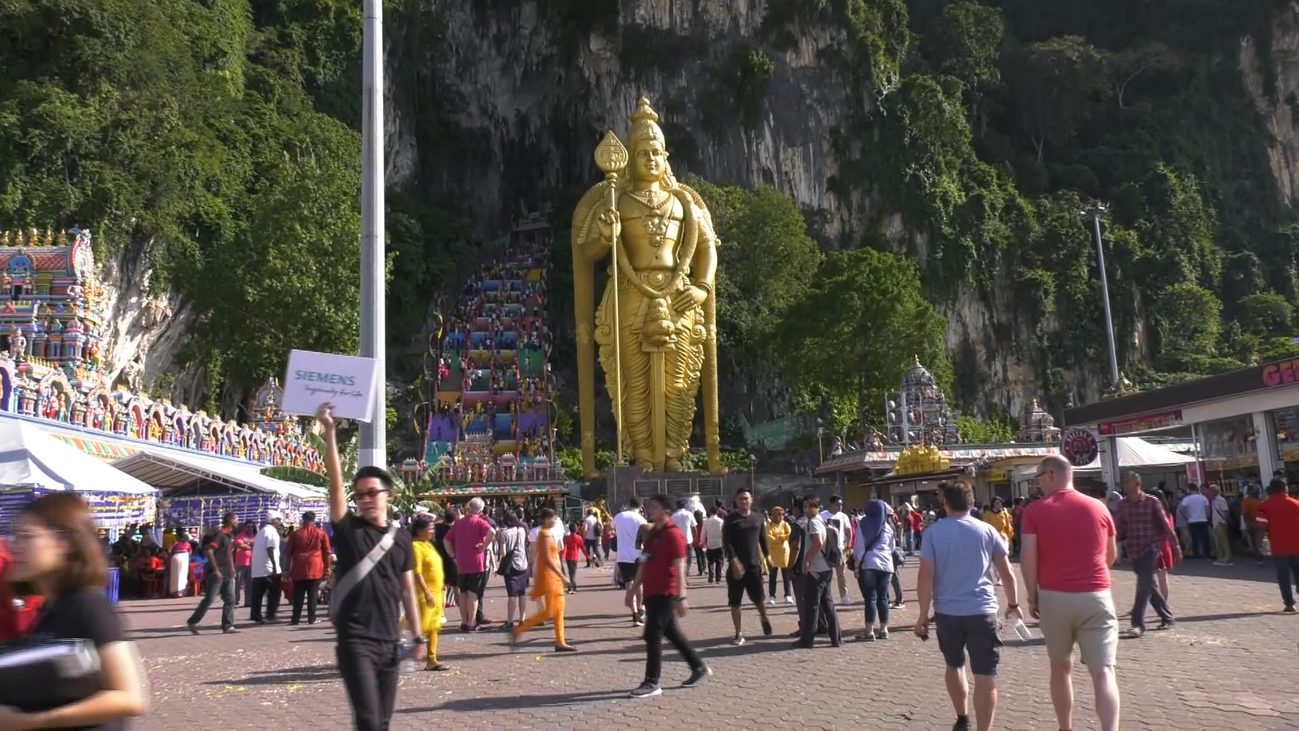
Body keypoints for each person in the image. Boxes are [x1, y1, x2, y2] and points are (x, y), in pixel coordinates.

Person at [0, 493, 148, 729]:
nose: (13, 545)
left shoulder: (88, 605)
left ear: (64, 542)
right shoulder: (49, 610)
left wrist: (29, 722)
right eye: (13, 536)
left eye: (26, 536)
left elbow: (130, 698)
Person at [319, 403, 424, 731]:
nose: (365, 499)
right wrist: (330, 431)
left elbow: (407, 590)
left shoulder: (401, 538)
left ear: (388, 495)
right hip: (356, 640)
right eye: (360, 494)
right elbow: (335, 485)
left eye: (372, 492)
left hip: (390, 641)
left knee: (383, 721)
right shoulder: (349, 530)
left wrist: (418, 635)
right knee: (368, 720)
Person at [1021, 455, 1121, 731]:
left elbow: (1028, 559)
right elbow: (1111, 555)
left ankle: (1065, 727)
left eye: (1039, 477)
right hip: (1096, 595)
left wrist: (1032, 596)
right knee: (1103, 671)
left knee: (1061, 667)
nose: (1039, 484)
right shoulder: (1099, 508)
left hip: (1054, 596)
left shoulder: (1035, 511)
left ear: (1050, 475)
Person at [914, 481, 1020, 731]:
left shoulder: (933, 533)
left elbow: (925, 576)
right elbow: (1006, 573)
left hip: (947, 612)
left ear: (945, 502)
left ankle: (962, 718)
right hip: (982, 610)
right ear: (972, 503)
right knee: (985, 675)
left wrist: (922, 614)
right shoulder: (987, 530)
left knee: (954, 665)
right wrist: (1013, 603)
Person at [625, 494, 710, 698]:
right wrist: (633, 589)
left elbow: (680, 566)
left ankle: (652, 681)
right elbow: (644, 561)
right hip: (652, 592)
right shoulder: (654, 533)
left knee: (653, 634)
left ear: (666, 511)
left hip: (666, 592)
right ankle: (698, 667)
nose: (650, 510)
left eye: (655, 507)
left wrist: (681, 596)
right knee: (671, 632)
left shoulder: (673, 535)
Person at [1113, 472, 1180, 636]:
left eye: (1128, 481)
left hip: (1150, 548)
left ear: (1137, 484)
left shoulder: (1152, 502)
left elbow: (1165, 526)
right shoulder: (1122, 505)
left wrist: (1175, 547)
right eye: (1124, 482)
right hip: (1134, 550)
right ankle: (1167, 617)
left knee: (1142, 585)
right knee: (1148, 584)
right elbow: (1119, 529)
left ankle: (1137, 624)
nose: (1125, 484)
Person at [511, 509, 576, 652]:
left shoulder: (546, 533)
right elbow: (547, 558)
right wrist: (562, 575)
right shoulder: (545, 534)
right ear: (546, 519)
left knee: (556, 610)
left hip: (552, 575)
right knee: (552, 611)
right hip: (550, 576)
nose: (555, 521)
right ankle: (522, 630)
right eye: (553, 518)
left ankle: (559, 641)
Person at [722, 487, 772, 646]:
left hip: (754, 566)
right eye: (741, 498)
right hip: (736, 567)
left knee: (759, 599)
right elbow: (727, 542)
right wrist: (733, 560)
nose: (744, 501)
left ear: (751, 500)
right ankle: (738, 633)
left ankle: (764, 617)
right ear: (736, 501)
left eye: (746, 498)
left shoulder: (758, 518)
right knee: (735, 602)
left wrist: (768, 555)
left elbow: (763, 538)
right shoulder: (730, 519)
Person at [794, 495, 841, 649]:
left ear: (818, 507)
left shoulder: (814, 522)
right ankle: (836, 638)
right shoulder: (820, 520)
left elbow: (818, 542)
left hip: (817, 570)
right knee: (827, 604)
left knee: (811, 606)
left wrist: (807, 560)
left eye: (810, 506)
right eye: (805, 507)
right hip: (825, 568)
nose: (807, 510)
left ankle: (807, 640)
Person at [444, 497, 496, 633]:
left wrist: (453, 556)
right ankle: (471, 623)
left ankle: (464, 621)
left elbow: (446, 541)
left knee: (463, 593)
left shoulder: (459, 523)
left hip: (461, 563)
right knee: (473, 593)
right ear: (480, 510)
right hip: (476, 562)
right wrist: (484, 546)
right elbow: (492, 532)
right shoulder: (480, 522)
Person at [186, 512, 238, 634]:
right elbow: (209, 551)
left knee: (230, 600)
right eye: (236, 520)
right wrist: (215, 570)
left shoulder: (229, 536)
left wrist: (232, 569)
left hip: (228, 573)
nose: (237, 522)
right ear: (230, 521)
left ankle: (228, 625)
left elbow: (229, 554)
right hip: (217, 573)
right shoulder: (220, 535)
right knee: (209, 599)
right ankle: (192, 621)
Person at [409, 515, 449, 671]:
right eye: (430, 529)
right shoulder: (416, 546)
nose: (433, 531)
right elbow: (417, 571)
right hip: (425, 593)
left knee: (434, 627)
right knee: (421, 626)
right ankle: (398, 654)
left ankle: (432, 659)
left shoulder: (429, 545)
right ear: (420, 531)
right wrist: (426, 591)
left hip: (437, 592)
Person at [853, 499, 896, 642]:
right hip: (887, 565)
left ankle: (869, 631)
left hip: (870, 563)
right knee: (883, 598)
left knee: (870, 598)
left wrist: (856, 566)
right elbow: (892, 548)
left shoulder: (863, 524)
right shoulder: (887, 527)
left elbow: (859, 548)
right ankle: (884, 629)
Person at [1255, 477, 1299, 611]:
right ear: (1285, 488)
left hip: (1278, 547)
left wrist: (1258, 544)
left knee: (1283, 576)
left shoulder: (1264, 506)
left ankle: (1289, 603)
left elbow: (1261, 527)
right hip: (1297, 545)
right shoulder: (1296, 504)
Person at [287, 511, 332, 625]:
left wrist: (287, 569)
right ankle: (312, 618)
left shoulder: (295, 534)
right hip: (315, 566)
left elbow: (288, 553)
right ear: (314, 519)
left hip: (299, 566)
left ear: (303, 519)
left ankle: (295, 619)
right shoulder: (321, 533)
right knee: (313, 593)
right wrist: (327, 567)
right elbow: (327, 552)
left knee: (298, 594)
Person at [613, 498, 649, 625]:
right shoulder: (641, 519)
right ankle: (640, 608)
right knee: (638, 584)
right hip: (637, 555)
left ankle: (634, 613)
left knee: (628, 585)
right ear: (641, 506)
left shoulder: (618, 517)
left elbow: (612, 529)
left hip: (622, 556)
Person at [249, 511, 284, 625]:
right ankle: (270, 615)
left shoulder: (261, 532)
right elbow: (270, 548)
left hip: (258, 569)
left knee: (257, 595)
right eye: (278, 519)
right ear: (273, 520)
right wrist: (274, 565)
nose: (279, 522)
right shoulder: (272, 532)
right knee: (274, 593)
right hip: (269, 568)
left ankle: (256, 616)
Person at [819, 495, 855, 604]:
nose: (840, 506)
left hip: (840, 549)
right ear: (831, 504)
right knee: (825, 573)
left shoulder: (843, 516)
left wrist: (848, 545)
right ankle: (825, 596)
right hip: (826, 549)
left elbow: (849, 531)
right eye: (837, 504)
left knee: (841, 574)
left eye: (841, 504)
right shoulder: (822, 515)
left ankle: (844, 595)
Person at [766, 506, 793, 605]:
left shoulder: (785, 524)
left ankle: (788, 595)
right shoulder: (769, 524)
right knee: (773, 576)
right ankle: (772, 596)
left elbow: (789, 535)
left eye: (783, 514)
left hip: (784, 553)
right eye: (779, 514)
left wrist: (780, 537)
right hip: (773, 554)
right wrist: (781, 539)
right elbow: (769, 538)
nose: (781, 516)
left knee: (786, 576)